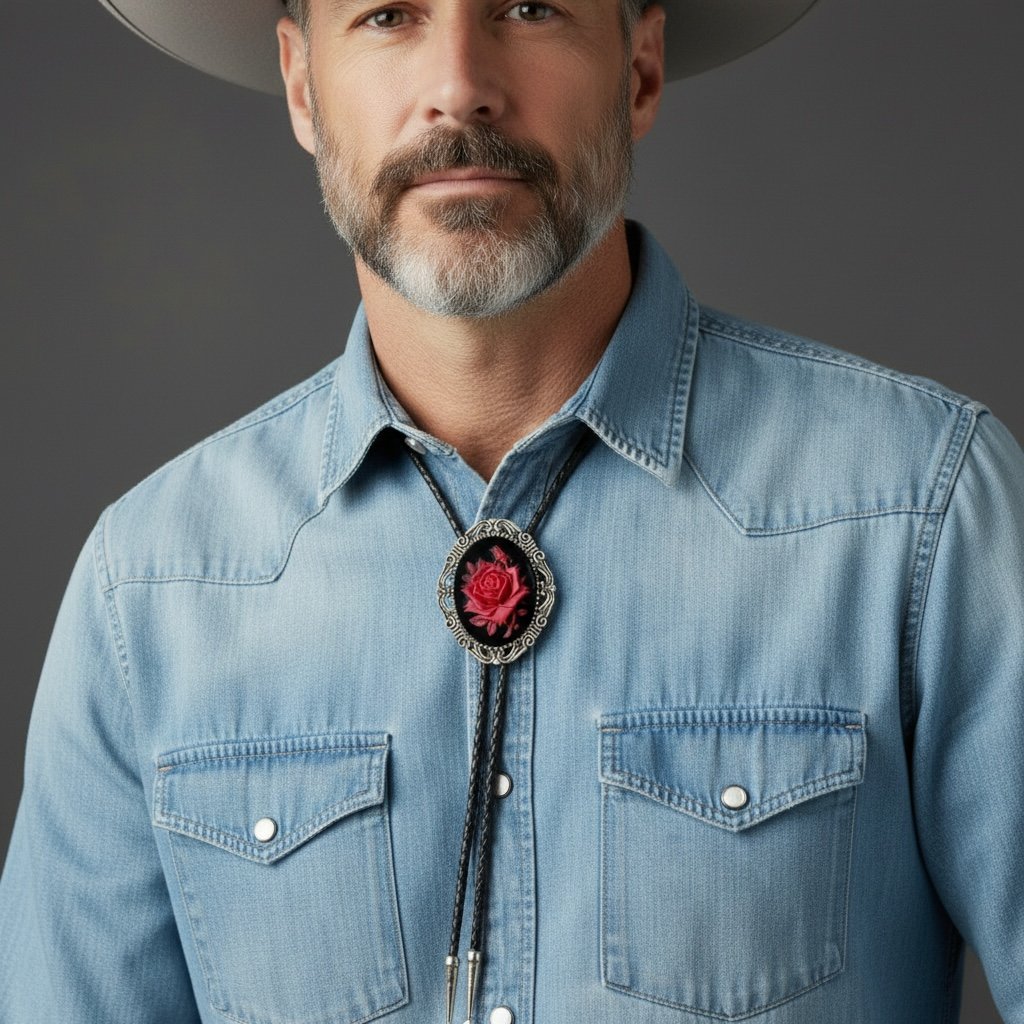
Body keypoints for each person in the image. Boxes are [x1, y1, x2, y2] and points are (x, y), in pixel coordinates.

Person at [1, 0, 1022, 1021]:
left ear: (640, 70)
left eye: (530, 6)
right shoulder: (148, 588)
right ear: (303, 85)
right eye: (389, 14)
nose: (460, 83)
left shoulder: (917, 518)